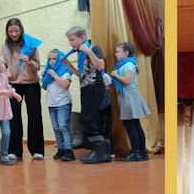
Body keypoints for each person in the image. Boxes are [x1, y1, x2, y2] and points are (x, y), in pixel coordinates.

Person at [63, 26, 110, 164]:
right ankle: (102, 152)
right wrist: (68, 65)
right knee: (89, 119)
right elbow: (81, 75)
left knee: (88, 118)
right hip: (86, 88)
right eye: (69, 40)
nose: (70, 43)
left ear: (82, 37)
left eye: (72, 40)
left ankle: (100, 152)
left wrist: (89, 51)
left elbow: (101, 66)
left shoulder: (93, 48)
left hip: (95, 87)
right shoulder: (80, 53)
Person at [0, 18, 44, 161]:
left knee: (34, 116)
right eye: (10, 31)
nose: (14, 34)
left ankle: (37, 150)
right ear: (7, 32)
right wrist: (4, 74)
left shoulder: (31, 44)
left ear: (21, 30)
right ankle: (14, 151)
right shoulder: (4, 47)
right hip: (13, 84)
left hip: (31, 83)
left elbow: (38, 66)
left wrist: (29, 61)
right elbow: (2, 66)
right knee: (13, 117)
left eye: (16, 31)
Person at [109, 42, 151, 161]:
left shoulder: (128, 65)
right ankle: (141, 152)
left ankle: (137, 153)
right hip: (127, 97)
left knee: (131, 126)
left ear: (126, 53)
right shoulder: (126, 64)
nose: (115, 54)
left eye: (118, 51)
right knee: (135, 125)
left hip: (129, 97)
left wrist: (115, 75)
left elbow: (127, 81)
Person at [42, 48, 75, 161]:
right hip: (51, 104)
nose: (52, 61)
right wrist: (44, 77)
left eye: (54, 59)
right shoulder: (48, 71)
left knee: (63, 126)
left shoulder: (65, 70)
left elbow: (65, 85)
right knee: (56, 128)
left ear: (60, 59)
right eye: (50, 59)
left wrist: (54, 75)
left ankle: (69, 151)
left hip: (63, 103)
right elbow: (45, 87)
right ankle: (61, 149)